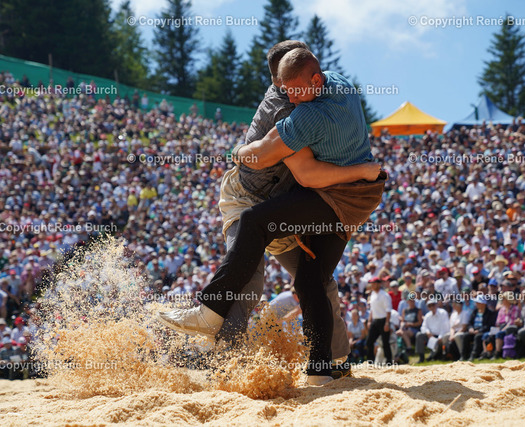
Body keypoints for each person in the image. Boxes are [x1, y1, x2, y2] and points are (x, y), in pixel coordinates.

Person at [158, 48, 385, 384]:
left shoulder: (304, 116)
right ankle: (322, 369)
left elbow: (294, 170)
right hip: (346, 196)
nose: (291, 96)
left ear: (316, 78)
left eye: (295, 89)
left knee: (260, 229)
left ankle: (210, 312)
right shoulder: (339, 86)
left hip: (329, 196)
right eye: (285, 88)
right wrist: (362, 171)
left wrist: (236, 151)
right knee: (310, 279)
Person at [213, 40, 352, 378]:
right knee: (247, 278)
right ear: (279, 80)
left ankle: (335, 359)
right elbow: (304, 170)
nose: (289, 90)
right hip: (246, 199)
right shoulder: (289, 110)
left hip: (282, 207)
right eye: (284, 83)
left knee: (318, 282)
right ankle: (230, 364)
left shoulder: (316, 96)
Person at [365, 277, 393, 365]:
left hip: (384, 320)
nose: (372, 285)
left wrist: (387, 323)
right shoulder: (372, 294)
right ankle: (370, 362)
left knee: (385, 343)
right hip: (375, 320)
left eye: (373, 283)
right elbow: (372, 309)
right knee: (369, 341)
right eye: (371, 284)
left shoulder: (385, 295)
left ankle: (389, 362)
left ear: (378, 284)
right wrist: (369, 321)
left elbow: (388, 310)